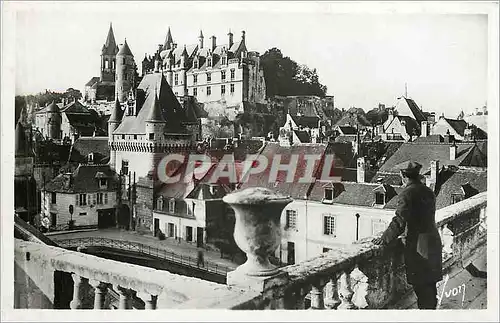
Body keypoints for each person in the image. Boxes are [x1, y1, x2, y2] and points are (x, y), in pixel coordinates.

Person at [373, 161, 443, 309]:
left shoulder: (407, 193)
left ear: (402, 175)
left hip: (419, 248)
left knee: (422, 289)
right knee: (430, 288)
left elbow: (399, 221)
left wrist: (384, 239)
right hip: (433, 242)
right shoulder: (428, 191)